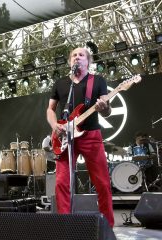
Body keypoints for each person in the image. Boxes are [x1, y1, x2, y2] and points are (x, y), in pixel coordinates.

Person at [46, 47, 114, 227]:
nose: (77, 57)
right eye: (74, 55)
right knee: (61, 182)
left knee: (102, 182)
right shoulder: (61, 83)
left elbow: (107, 111)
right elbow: (50, 109)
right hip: (66, 136)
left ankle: (108, 226)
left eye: (81, 55)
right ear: (70, 61)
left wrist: (104, 107)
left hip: (91, 135)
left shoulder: (98, 81)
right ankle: (65, 225)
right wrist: (55, 126)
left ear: (88, 61)